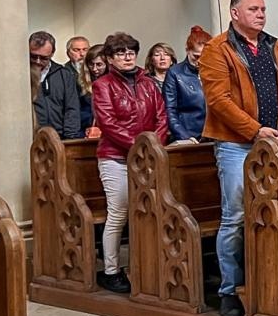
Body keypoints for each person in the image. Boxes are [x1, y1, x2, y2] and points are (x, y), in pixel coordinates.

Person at [200, 0, 278, 316]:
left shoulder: (275, 46)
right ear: (235, 13)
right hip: (235, 144)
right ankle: (229, 290)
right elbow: (219, 100)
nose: (261, 14)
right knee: (235, 217)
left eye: (263, 8)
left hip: (273, 142)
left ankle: (265, 285)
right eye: (253, 9)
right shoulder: (218, 49)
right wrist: (254, 130)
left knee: (274, 213)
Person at [91, 32, 167, 294]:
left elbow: (161, 116)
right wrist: (139, 147)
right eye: (121, 53)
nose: (127, 56)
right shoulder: (103, 85)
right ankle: (111, 271)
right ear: (110, 58)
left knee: (149, 211)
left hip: (147, 157)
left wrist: (152, 147)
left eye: (131, 52)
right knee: (119, 212)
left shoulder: (148, 83)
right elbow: (108, 123)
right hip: (115, 157)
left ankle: (147, 266)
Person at [28, 31, 83, 139]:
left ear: (52, 53)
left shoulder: (64, 74)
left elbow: (72, 109)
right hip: (30, 138)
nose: (38, 61)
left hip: (59, 138)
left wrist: (70, 139)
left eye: (44, 58)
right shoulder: (19, 75)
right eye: (33, 56)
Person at [164, 26, 210, 143]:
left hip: (215, 135)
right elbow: (170, 109)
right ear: (187, 50)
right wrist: (184, 136)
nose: (200, 61)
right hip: (189, 135)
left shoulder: (215, 72)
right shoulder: (175, 73)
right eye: (196, 56)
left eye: (205, 56)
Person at [77, 44, 106, 139]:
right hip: (86, 132)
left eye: (99, 65)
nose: (94, 69)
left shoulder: (114, 84)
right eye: (91, 64)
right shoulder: (81, 83)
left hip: (108, 134)